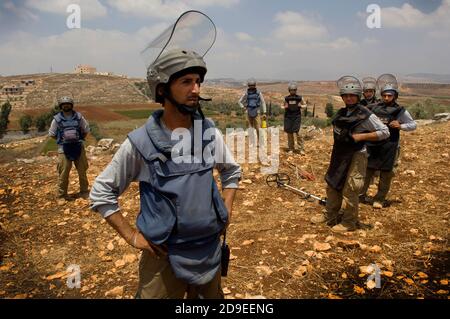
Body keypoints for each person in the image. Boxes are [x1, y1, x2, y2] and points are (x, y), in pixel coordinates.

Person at [90, 47, 241, 298]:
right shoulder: (141, 143)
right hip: (164, 259)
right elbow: (101, 193)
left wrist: (226, 211)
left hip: (208, 251)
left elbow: (231, 172)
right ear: (162, 89)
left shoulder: (208, 133)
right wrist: (132, 237)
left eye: (198, 82)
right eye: (186, 82)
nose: (196, 90)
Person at [310, 76, 390, 233]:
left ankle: (349, 222)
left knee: (351, 189)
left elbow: (384, 132)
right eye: (346, 95)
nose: (349, 98)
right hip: (339, 154)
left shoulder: (365, 114)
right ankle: (330, 214)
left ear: (358, 96)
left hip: (356, 155)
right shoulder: (342, 113)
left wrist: (362, 136)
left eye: (352, 95)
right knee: (333, 184)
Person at [359, 74, 416, 208]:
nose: (386, 98)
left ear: (394, 96)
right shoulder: (374, 107)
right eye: (384, 95)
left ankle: (379, 199)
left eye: (389, 96)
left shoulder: (400, 110)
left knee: (386, 173)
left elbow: (413, 124)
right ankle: (360, 195)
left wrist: (401, 126)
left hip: (390, 146)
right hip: (373, 145)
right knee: (367, 171)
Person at [49, 96, 90, 199]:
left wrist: (78, 140)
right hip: (63, 149)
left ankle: (84, 192)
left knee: (82, 171)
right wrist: (63, 141)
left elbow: (85, 130)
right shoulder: (56, 119)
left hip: (78, 147)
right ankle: (62, 195)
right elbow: (52, 134)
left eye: (68, 104)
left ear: (71, 105)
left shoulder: (79, 117)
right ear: (61, 106)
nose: (66, 105)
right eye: (64, 104)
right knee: (63, 173)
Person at [282, 82, 307, 154]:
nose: (293, 91)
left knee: (299, 133)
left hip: (297, 117)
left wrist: (301, 106)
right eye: (291, 90)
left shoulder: (300, 98)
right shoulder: (286, 98)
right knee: (289, 134)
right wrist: (284, 107)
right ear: (289, 90)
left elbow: (305, 105)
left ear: (296, 90)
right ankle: (291, 149)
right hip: (288, 117)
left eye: (294, 90)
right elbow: (282, 106)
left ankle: (301, 149)